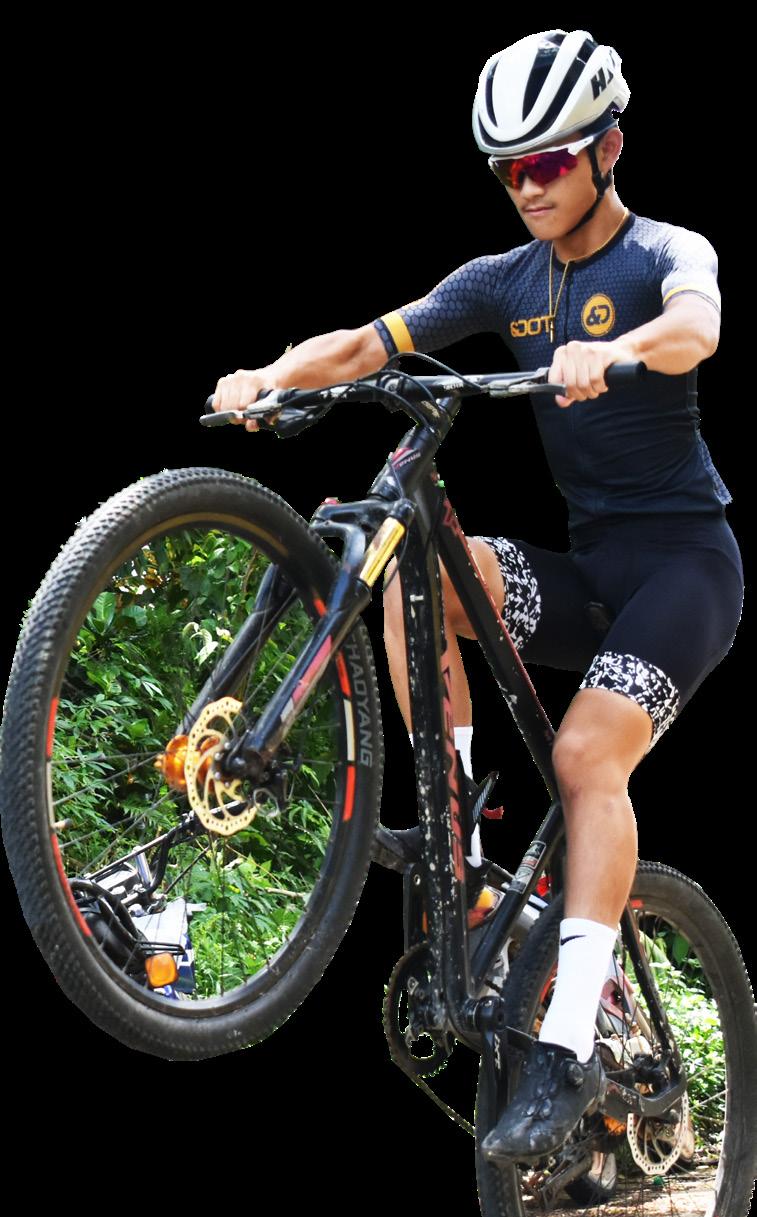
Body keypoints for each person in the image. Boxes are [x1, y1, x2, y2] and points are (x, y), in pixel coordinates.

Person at [213, 29, 744, 1164]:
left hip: (684, 570)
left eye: (547, 162)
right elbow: (366, 342)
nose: (527, 187)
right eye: (508, 170)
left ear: (607, 149)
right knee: (424, 568)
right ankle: (452, 823)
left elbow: (697, 324)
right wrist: (270, 375)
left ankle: (568, 1039)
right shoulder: (505, 278)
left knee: (585, 758)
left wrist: (622, 349)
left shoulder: (662, 250)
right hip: (587, 572)